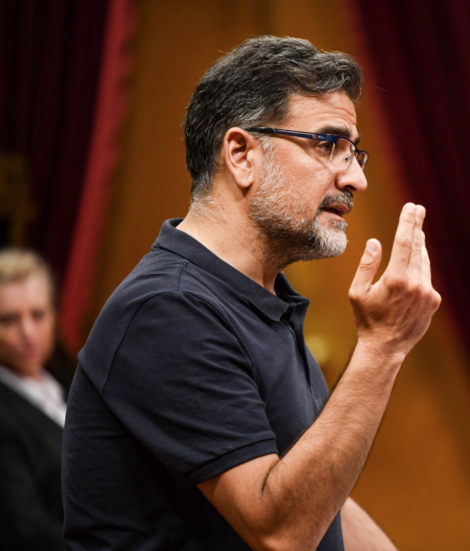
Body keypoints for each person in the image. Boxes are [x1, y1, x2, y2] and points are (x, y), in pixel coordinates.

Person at [62, 36, 441, 551]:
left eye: (355, 153)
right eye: (329, 144)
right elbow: (280, 532)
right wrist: (382, 348)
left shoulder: (260, 301)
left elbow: (320, 495)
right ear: (241, 154)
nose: (356, 178)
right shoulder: (168, 308)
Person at [0, 248, 66, 551]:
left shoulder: (67, 377)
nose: (28, 333)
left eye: (38, 315)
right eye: (9, 320)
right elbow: (26, 529)